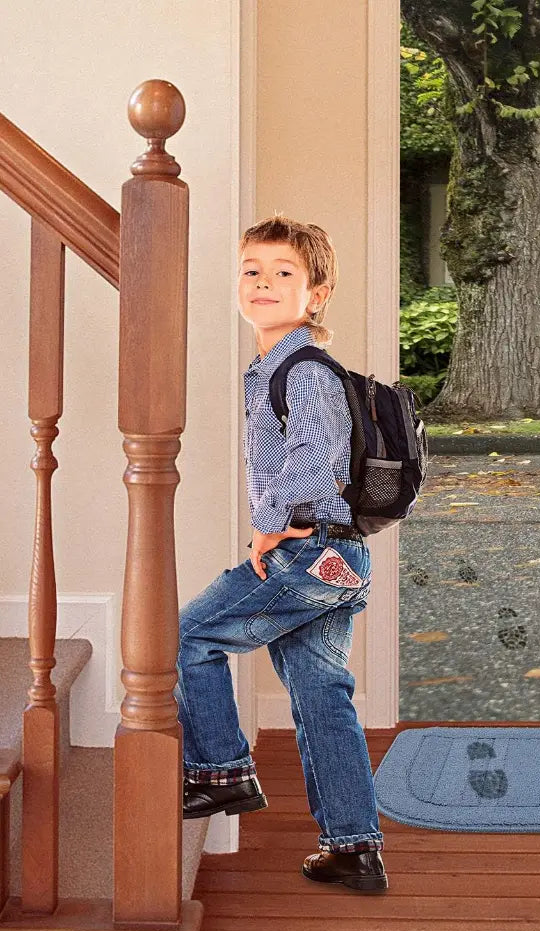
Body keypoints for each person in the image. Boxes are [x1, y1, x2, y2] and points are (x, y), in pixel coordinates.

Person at [174, 214, 388, 893]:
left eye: (284, 273)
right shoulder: (273, 368)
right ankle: (353, 848)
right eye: (252, 271)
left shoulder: (304, 372)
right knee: (322, 697)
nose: (263, 282)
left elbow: (318, 463)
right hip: (339, 561)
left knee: (188, 635)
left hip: (310, 555)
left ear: (317, 294)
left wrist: (267, 522)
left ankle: (220, 774)